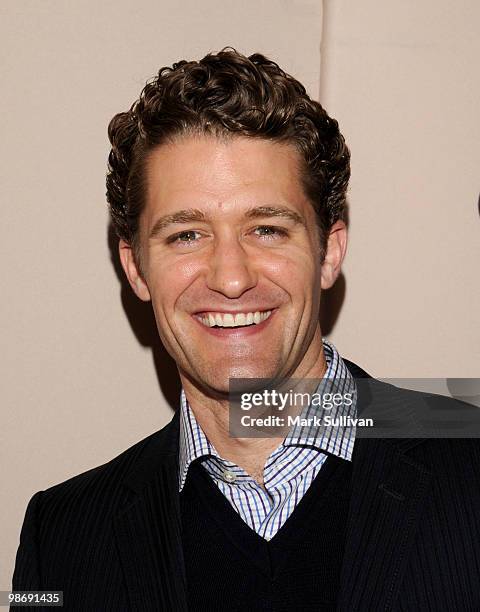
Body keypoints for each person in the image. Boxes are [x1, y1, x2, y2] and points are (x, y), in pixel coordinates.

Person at [11, 48, 480, 611]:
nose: (230, 279)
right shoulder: (60, 537)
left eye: (265, 229)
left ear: (329, 252)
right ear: (136, 268)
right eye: (186, 234)